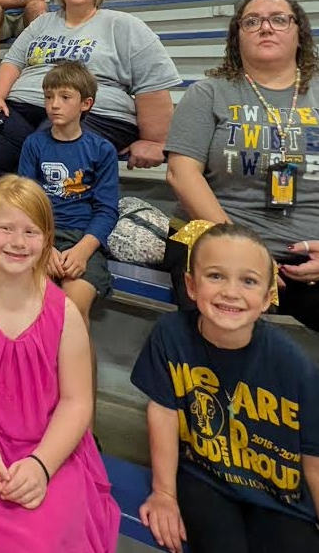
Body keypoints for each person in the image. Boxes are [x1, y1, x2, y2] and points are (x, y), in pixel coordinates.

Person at [0, 174, 120, 552]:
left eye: (31, 232)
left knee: (48, 533)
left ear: (47, 238)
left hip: (49, 438)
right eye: (6, 229)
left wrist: (41, 465)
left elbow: (76, 402)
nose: (18, 242)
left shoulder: (64, 313)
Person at [130, 223, 319, 553]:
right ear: (190, 285)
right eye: (215, 276)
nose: (230, 292)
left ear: (266, 297)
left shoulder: (294, 365)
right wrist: (164, 493)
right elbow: (162, 411)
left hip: (281, 496)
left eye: (248, 281)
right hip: (205, 476)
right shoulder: (169, 335)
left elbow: (314, 456)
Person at [164, 0, 319, 328]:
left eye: (279, 19)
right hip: (218, 242)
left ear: (299, 33)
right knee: (218, 316)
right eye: (252, 21)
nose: (266, 27)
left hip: (308, 255)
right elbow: (181, 173)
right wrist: (244, 250)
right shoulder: (209, 93)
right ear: (237, 38)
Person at [0, 0, 180, 191]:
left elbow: (151, 82)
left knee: (50, 144)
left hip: (95, 111)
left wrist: (154, 140)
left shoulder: (124, 25)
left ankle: (44, 219)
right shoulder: (41, 24)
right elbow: (12, 63)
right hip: (25, 104)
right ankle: (4, 214)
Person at [18, 61, 119, 325]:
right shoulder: (34, 143)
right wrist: (44, 245)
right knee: (33, 308)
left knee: (72, 312)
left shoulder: (101, 149)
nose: (54, 104)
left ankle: (78, 367)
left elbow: (107, 209)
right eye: (49, 97)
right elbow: (26, 203)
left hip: (81, 239)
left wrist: (83, 251)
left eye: (64, 97)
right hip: (41, 237)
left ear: (86, 104)